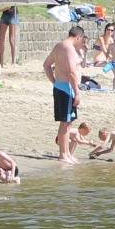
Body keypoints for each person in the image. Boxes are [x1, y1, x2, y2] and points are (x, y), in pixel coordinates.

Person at [42, 27, 86, 164]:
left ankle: (66, 153)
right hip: (67, 88)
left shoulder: (59, 46)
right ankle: (63, 155)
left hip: (61, 86)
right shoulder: (69, 49)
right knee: (65, 123)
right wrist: (77, 92)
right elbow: (71, 73)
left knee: (68, 123)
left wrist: (54, 82)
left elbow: (46, 65)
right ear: (78, 37)